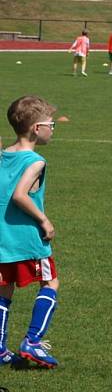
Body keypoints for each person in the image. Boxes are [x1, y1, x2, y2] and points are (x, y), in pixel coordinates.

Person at [0, 96, 61, 368]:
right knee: (51, 283)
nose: (53, 129)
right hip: (28, 241)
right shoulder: (35, 161)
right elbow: (20, 196)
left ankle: (0, 348)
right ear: (37, 128)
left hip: (4, 240)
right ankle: (33, 342)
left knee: (4, 290)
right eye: (51, 124)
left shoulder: (3, 155)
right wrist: (44, 220)